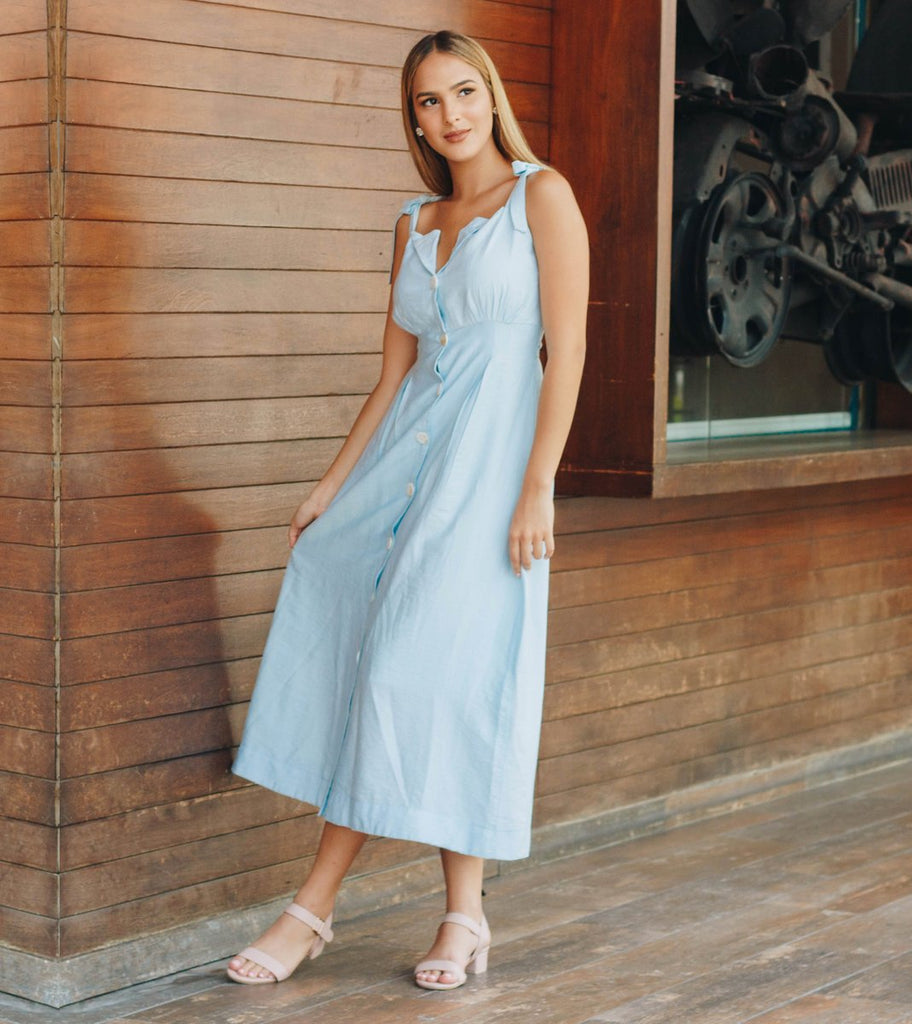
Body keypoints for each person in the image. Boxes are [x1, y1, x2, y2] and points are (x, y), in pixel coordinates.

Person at [225, 29, 588, 991]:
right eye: (429, 102)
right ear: (414, 117)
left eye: (464, 93)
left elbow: (568, 356)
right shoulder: (415, 223)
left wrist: (538, 486)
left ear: (492, 94)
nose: (450, 116)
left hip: (489, 486)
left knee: (408, 678)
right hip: (402, 478)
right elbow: (394, 376)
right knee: (423, 683)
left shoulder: (542, 199)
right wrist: (330, 486)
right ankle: (465, 917)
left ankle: (311, 911)